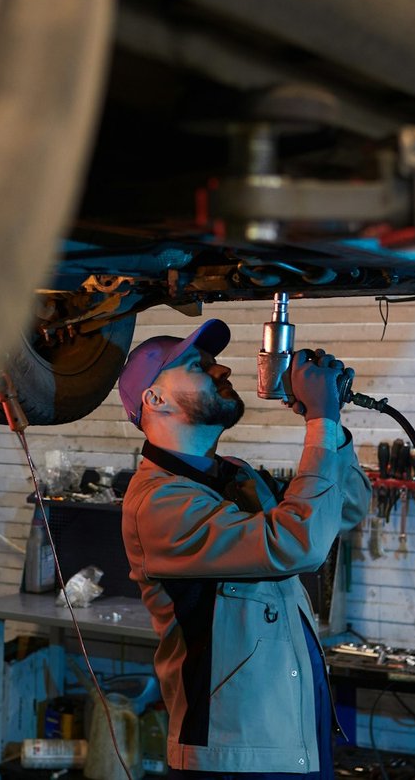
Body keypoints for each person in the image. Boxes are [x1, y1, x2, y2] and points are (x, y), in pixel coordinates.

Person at [118, 317, 371, 779]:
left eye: (215, 362)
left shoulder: (235, 475)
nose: (221, 371)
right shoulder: (159, 503)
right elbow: (301, 545)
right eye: (198, 365)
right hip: (232, 755)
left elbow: (346, 509)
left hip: (295, 736)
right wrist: (321, 420)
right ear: (154, 399)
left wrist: (333, 428)